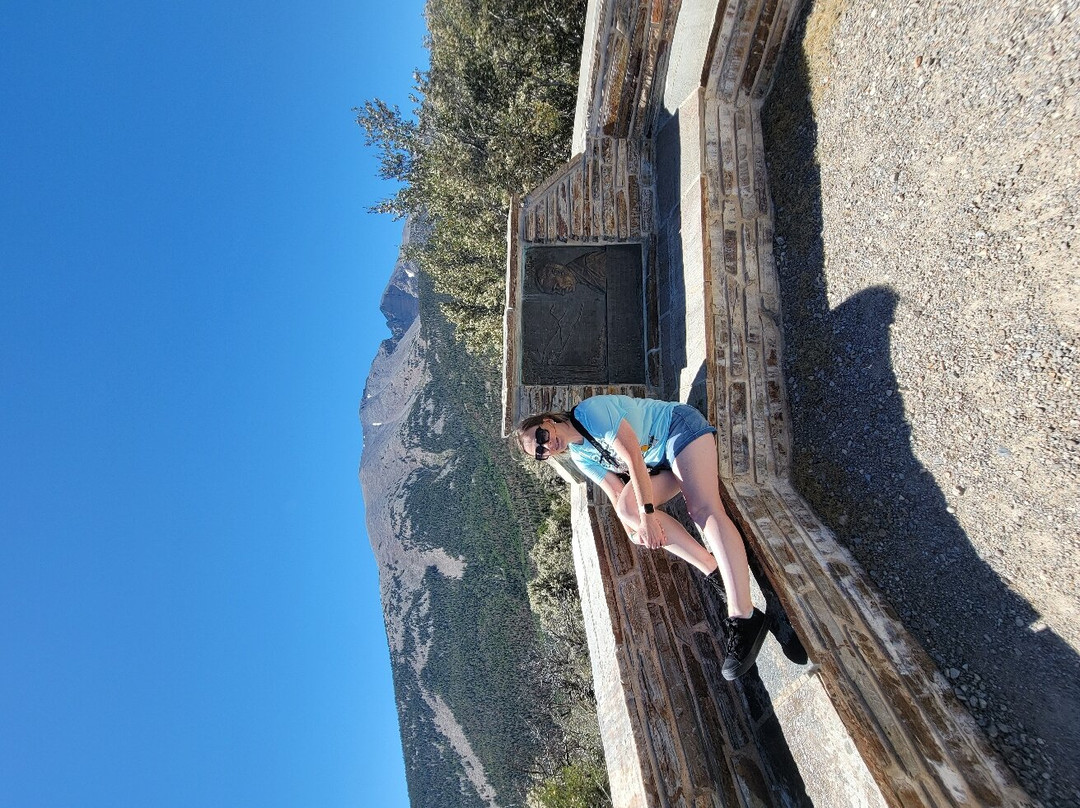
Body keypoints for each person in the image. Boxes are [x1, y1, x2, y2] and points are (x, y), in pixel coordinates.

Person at [517, 394, 769, 680]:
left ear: (547, 421)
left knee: (702, 509)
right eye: (540, 452)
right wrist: (634, 530)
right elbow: (616, 495)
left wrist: (648, 516)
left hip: (679, 431)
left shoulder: (590, 413)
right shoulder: (580, 456)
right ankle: (714, 570)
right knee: (629, 512)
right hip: (661, 463)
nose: (546, 445)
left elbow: (633, 456)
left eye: (541, 435)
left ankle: (743, 616)